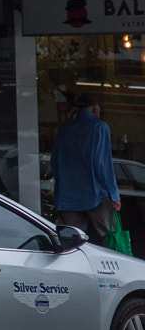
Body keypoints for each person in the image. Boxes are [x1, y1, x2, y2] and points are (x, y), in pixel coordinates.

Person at [52, 88, 121, 240]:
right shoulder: (99, 128)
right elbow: (103, 165)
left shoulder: (64, 130)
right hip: (95, 194)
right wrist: (114, 195)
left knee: (70, 243)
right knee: (110, 240)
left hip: (67, 196)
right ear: (96, 109)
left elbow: (54, 163)